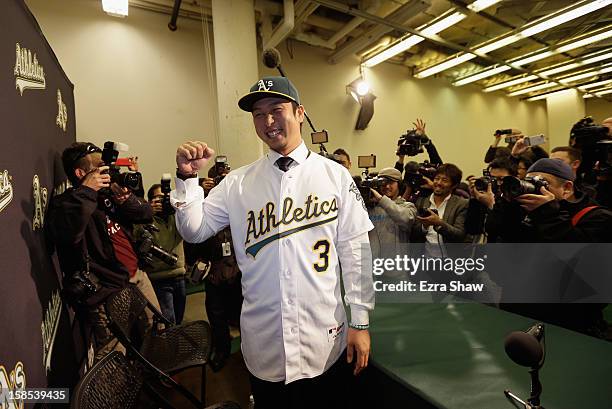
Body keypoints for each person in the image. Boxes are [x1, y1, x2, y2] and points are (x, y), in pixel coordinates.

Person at [171, 76, 375, 408]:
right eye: (258, 114)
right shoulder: (237, 183)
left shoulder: (334, 175)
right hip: (266, 344)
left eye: (276, 110)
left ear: (299, 113)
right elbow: (194, 230)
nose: (267, 121)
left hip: (324, 338)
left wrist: (361, 322)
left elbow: (356, 251)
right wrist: (187, 178)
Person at [48, 142, 158, 362]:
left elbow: (146, 213)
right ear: (81, 173)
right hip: (107, 291)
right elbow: (69, 235)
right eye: (99, 168)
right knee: (114, 354)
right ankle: (114, 396)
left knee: (155, 331)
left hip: (136, 276)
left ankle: (155, 379)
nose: (107, 173)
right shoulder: (69, 202)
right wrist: (87, 191)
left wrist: (125, 199)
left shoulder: (107, 196)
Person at [136, 184, 187, 325]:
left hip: (179, 275)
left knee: (178, 319)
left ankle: (173, 345)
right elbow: (136, 236)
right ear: (150, 200)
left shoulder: (176, 215)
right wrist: (147, 213)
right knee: (168, 321)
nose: (161, 202)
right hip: (159, 278)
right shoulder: (146, 220)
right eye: (157, 198)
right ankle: (168, 346)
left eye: (164, 198)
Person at [367, 167, 417, 277]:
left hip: (396, 270)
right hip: (372, 269)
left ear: (399, 184)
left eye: (391, 183)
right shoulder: (371, 208)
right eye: (383, 183)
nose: (387, 187)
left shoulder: (407, 206)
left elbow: (405, 219)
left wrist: (382, 199)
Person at [411, 164, 468, 256]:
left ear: (454, 185)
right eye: (437, 178)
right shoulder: (421, 201)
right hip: (425, 261)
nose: (439, 183)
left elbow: (459, 235)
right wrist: (424, 227)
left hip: (450, 263)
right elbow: (413, 233)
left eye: (444, 180)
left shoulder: (461, 204)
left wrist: (439, 223)